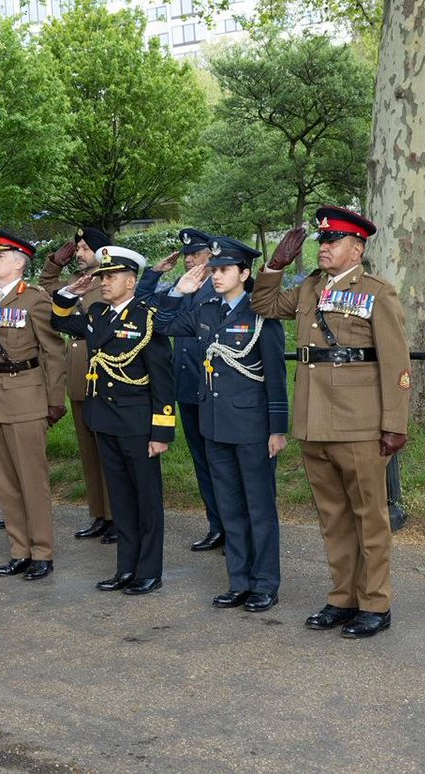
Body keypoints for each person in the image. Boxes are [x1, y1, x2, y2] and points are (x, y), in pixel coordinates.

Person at [250, 208, 410, 639]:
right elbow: (262, 303)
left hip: (358, 424)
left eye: (333, 241)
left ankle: (376, 603)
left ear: (357, 249)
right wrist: (275, 265)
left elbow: (397, 363)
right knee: (333, 516)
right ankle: (343, 598)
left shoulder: (377, 292)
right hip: (313, 420)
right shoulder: (308, 289)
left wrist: (394, 422)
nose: (324, 247)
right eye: (322, 241)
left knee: (369, 518)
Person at [156, 237, 289, 612]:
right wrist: (179, 291)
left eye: (224, 269)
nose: (216, 276)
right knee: (229, 507)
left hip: (252, 427)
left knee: (259, 509)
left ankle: (265, 583)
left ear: (245, 274)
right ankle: (240, 581)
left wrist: (277, 429)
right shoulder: (206, 309)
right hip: (214, 425)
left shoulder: (261, 313)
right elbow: (163, 325)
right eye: (213, 269)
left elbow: (276, 377)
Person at [51, 246, 174, 595]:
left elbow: (162, 380)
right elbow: (59, 320)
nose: (103, 282)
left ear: (131, 280)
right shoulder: (98, 314)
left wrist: (161, 430)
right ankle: (126, 569)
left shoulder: (148, 317)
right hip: (104, 419)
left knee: (146, 500)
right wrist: (69, 293)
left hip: (138, 423)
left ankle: (149, 571)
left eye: (111, 276)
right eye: (102, 276)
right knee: (120, 499)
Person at [0, 228, 66, 580]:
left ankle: (42, 552)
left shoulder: (34, 299)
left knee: (32, 479)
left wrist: (54, 401)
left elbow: (53, 351)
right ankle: (19, 550)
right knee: (6, 480)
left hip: (26, 395)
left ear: (19, 263)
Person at [135, 228, 225, 552]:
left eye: (196, 253)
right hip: (187, 387)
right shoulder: (179, 287)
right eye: (187, 255)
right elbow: (142, 303)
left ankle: (233, 529)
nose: (189, 259)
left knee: (221, 462)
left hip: (214, 388)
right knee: (202, 462)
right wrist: (155, 273)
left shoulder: (218, 287)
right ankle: (216, 525)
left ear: (211, 256)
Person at [39, 225, 116, 544]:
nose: (79, 254)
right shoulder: (78, 283)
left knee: (108, 449)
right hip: (79, 371)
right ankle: (99, 513)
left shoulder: (111, 282)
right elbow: (47, 287)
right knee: (88, 450)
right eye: (78, 249)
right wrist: (55, 263)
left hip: (106, 371)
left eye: (84, 248)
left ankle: (117, 515)